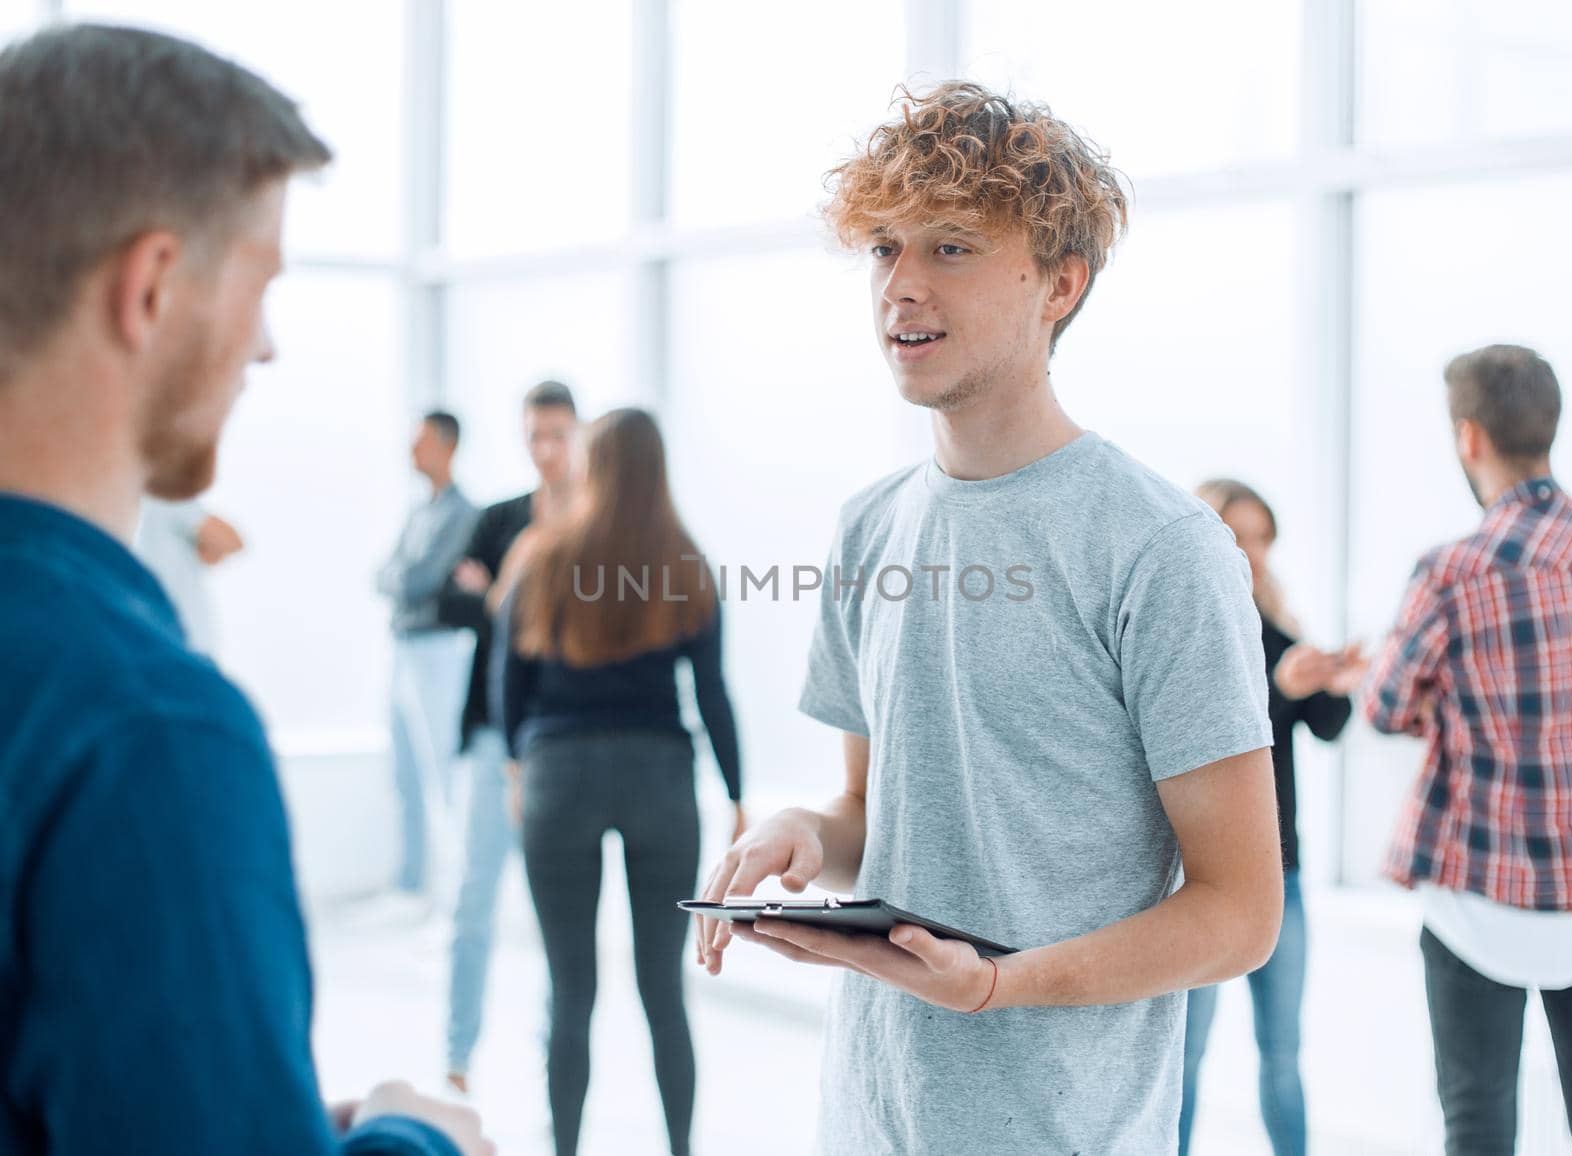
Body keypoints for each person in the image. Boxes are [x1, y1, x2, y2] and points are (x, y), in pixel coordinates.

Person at [695, 81, 1284, 1155]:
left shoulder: (1160, 547)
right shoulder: (868, 529)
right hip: (869, 1119)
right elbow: (876, 819)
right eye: (884, 248)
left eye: (954, 248)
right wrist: (801, 834)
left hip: (1063, 1129)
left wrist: (998, 987)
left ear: (1059, 282)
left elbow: (1240, 911)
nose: (901, 287)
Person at [0, 23, 490, 1155]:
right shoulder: (144, 732)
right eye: (261, 283)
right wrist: (418, 1142)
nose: (266, 349)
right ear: (155, 288)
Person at [1364, 344, 1572, 1155]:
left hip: (1479, 895)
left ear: (1470, 438)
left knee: (1476, 1120)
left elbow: (1386, 706)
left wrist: (1447, 699)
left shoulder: (1452, 571)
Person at [498, 407, 745, 1156]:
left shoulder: (542, 554)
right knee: (664, 993)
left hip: (558, 775)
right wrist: (737, 794)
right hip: (660, 778)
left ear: (591, 465)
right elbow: (712, 692)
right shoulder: (684, 560)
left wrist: (519, 766)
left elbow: (507, 684)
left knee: (569, 991)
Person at [1179, 479, 1366, 1156]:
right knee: (1185, 1053)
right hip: (1197, 881)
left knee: (1283, 1052)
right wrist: (1278, 690)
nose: (1254, 553)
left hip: (1281, 874)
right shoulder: (1189, 627)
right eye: (1240, 536)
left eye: (1263, 538)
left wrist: (1333, 683)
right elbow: (1213, 732)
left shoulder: (1277, 627)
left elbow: (1326, 726)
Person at [435, 380, 578, 1092]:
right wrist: (500, 596)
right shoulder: (500, 521)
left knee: (558, 911)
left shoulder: (594, 523)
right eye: (535, 436)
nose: (546, 449)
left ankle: (559, 1059)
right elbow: (448, 599)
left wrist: (496, 594)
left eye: (558, 434)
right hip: (495, 738)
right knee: (473, 900)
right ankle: (457, 1059)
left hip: (561, 743)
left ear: (577, 435)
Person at [376, 409, 477, 902]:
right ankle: (412, 887)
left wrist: (400, 579)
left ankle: (452, 894)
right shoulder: (419, 512)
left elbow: (417, 580)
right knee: (405, 772)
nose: (411, 450)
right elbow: (387, 574)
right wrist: (401, 579)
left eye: (420, 441)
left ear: (447, 445)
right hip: (404, 649)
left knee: (443, 775)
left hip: (438, 653)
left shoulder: (462, 514)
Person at [134, 497, 245, 654]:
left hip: (166, 640)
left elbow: (213, 556)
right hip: (181, 644)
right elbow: (231, 542)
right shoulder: (165, 497)